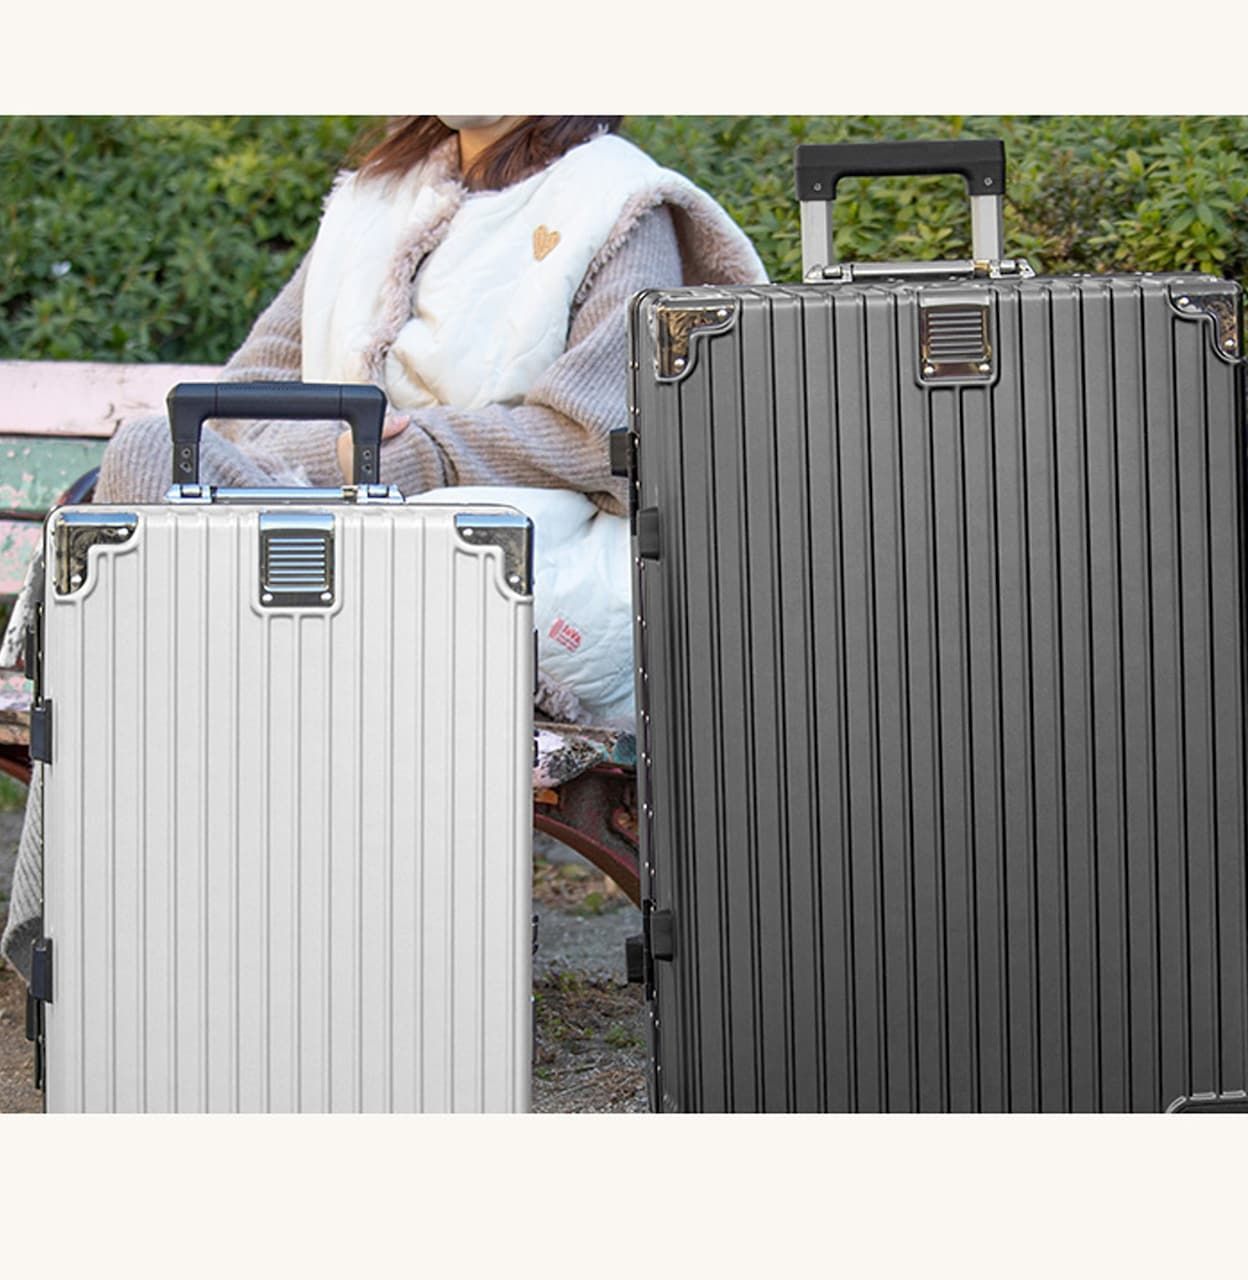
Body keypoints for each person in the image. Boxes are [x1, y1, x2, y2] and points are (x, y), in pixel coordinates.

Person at [0, 114, 767, 979]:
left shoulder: (615, 202)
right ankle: (211, 935)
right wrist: (326, 459)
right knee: (150, 468)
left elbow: (602, 436)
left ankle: (142, 933)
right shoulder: (376, 196)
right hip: (337, 530)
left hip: (496, 570)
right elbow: (254, 382)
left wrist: (400, 458)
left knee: (144, 573)